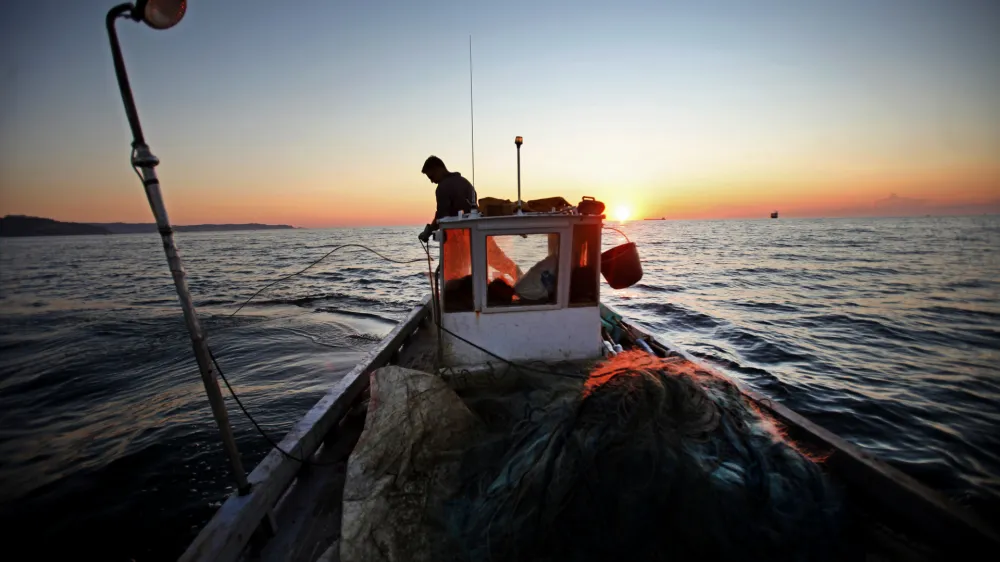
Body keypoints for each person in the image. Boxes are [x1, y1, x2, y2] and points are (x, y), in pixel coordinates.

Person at [418, 156, 478, 243]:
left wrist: (428, 231)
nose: (432, 181)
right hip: (473, 236)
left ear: (438, 169)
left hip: (456, 240)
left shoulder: (442, 187)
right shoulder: (465, 182)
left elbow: (442, 217)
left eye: (431, 177)